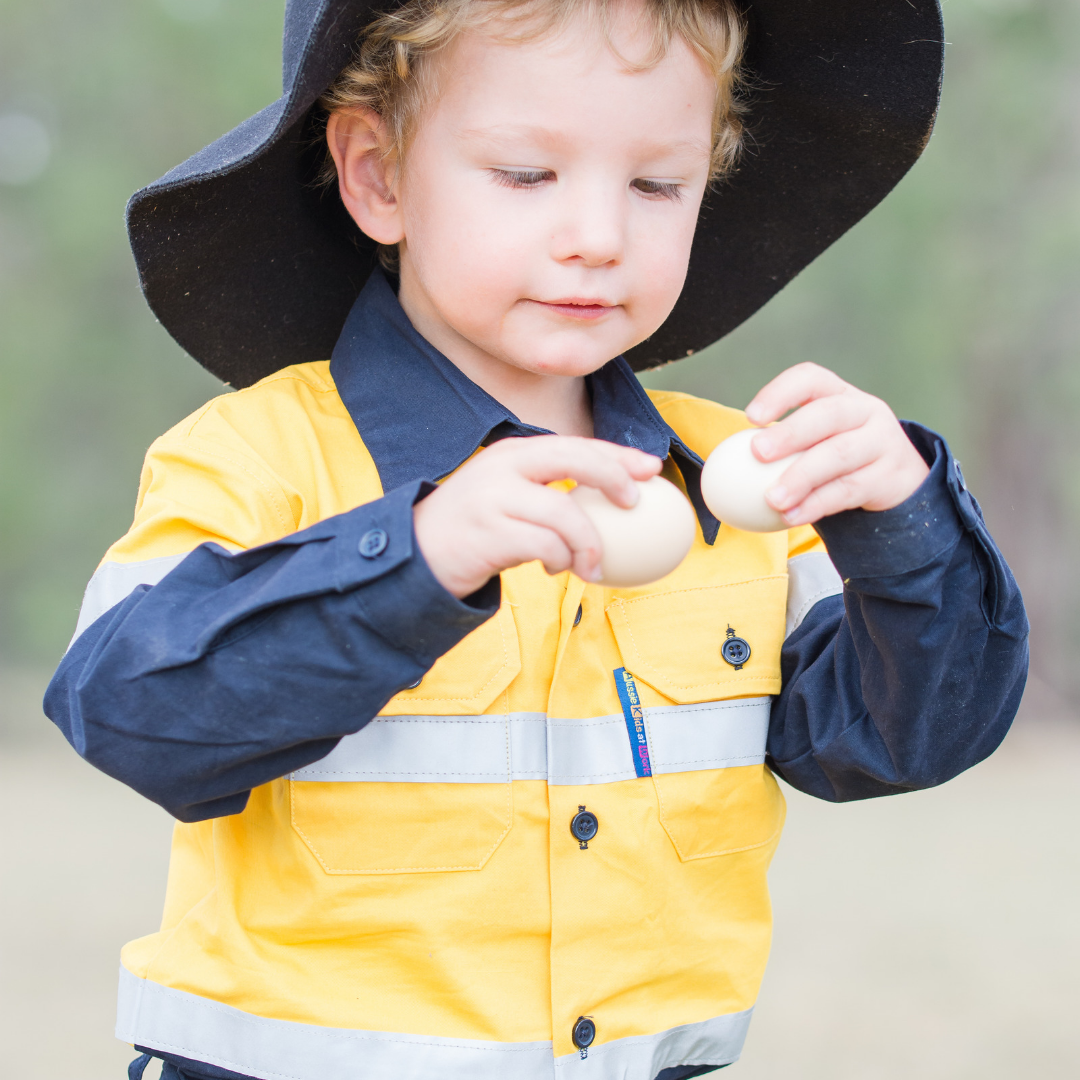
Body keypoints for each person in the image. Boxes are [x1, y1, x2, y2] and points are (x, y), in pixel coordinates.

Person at [44, 0, 1028, 1077]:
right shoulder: (256, 459)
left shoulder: (734, 485)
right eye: (526, 174)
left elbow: (902, 738)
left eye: (657, 184)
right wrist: (412, 561)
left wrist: (905, 526)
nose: (599, 237)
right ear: (376, 176)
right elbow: (130, 715)